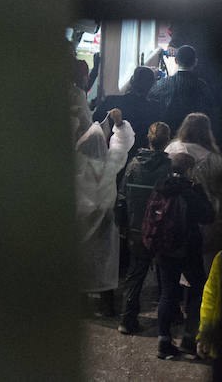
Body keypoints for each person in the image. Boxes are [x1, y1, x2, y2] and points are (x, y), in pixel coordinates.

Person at [146, 152, 215, 360]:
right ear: (189, 169)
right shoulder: (190, 190)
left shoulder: (161, 186)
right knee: (198, 288)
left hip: (164, 249)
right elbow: (208, 216)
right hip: (188, 247)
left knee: (167, 293)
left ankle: (163, 342)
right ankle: (188, 338)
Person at [74, 96, 135, 318]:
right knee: (105, 264)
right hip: (105, 222)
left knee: (80, 263)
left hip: (81, 222)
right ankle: (107, 306)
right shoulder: (110, 166)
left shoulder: (75, 167)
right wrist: (119, 125)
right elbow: (122, 145)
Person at [119, 122, 172, 335]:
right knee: (166, 275)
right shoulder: (169, 167)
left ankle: (126, 319)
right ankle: (169, 318)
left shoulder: (133, 165)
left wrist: (123, 225)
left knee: (135, 275)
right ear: (167, 141)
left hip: (136, 228)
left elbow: (122, 197)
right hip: (161, 229)